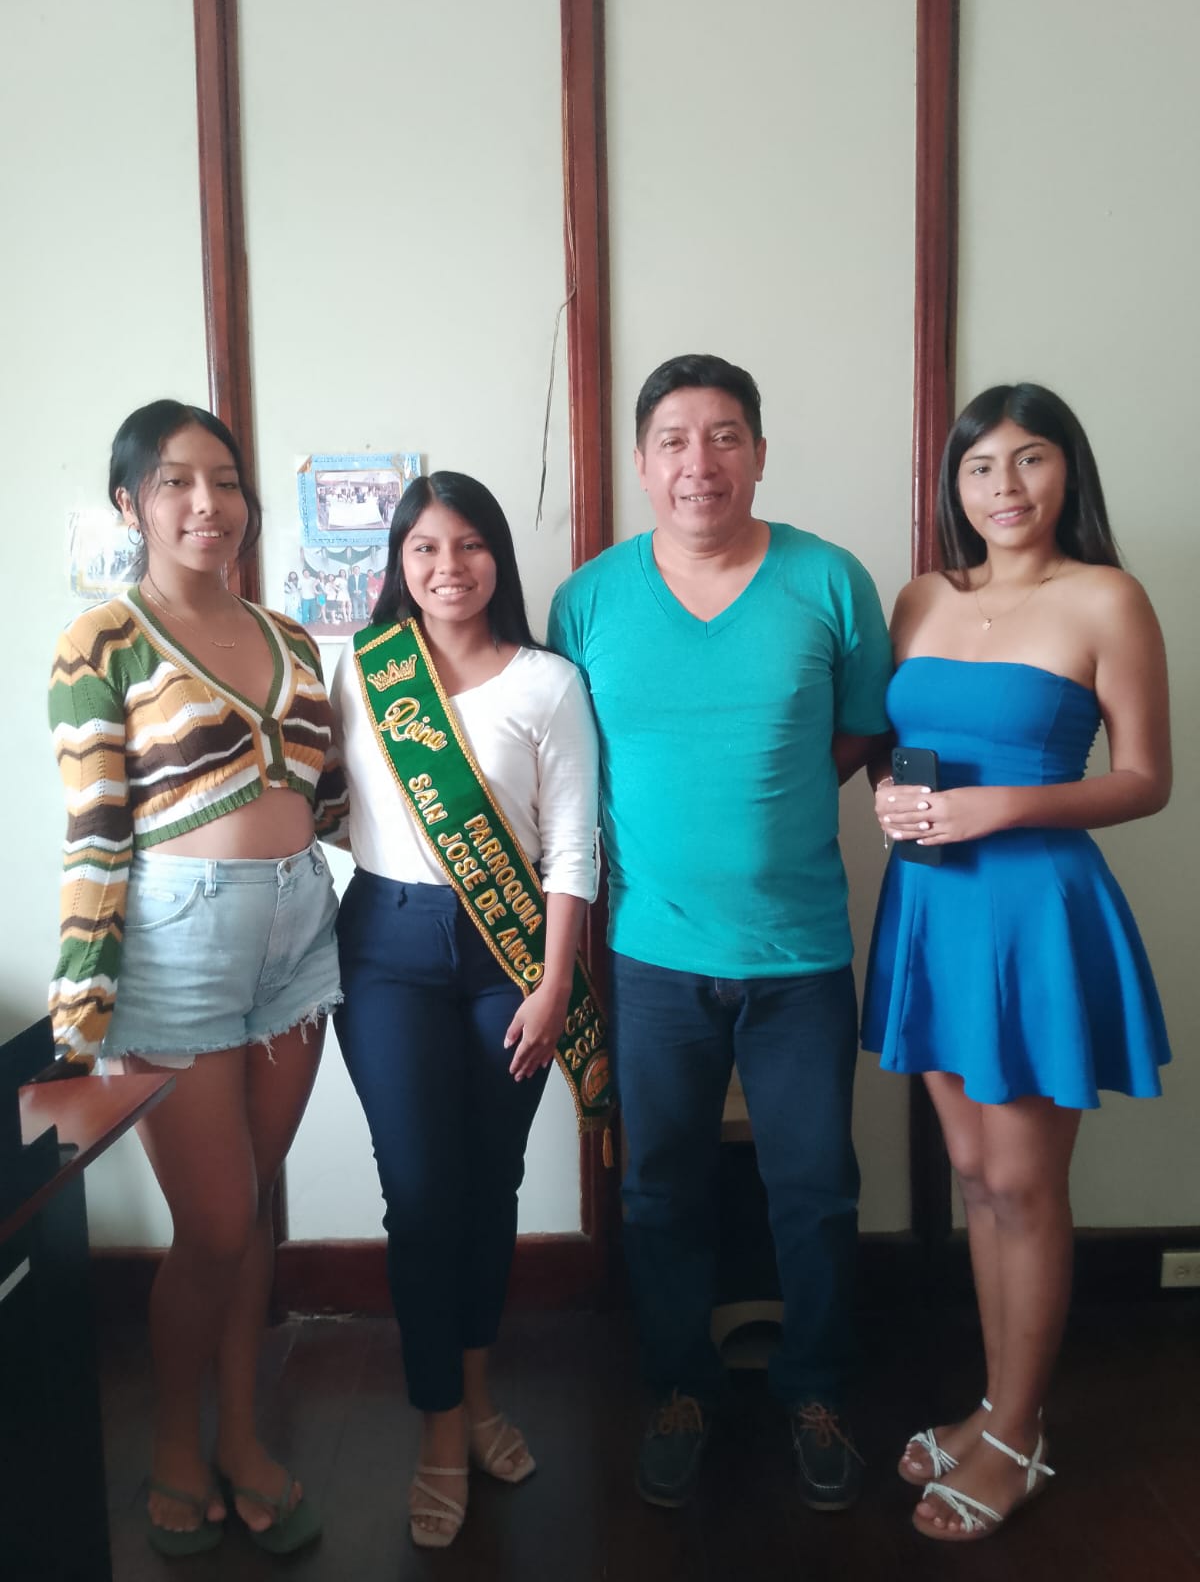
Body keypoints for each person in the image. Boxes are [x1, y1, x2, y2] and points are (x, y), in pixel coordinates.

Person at [547, 354, 892, 1511]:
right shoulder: (587, 601)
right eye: (676, 440)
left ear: (759, 451)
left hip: (800, 954)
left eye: (726, 435)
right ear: (642, 463)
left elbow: (859, 734)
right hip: (651, 957)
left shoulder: (830, 581)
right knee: (659, 1189)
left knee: (817, 1186)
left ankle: (816, 1386)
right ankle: (680, 1387)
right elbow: (568, 768)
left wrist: (766, 810)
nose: (701, 462)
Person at [862, 382, 1171, 1542]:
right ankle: (999, 1410)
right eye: (981, 464)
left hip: (1037, 907)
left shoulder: (1107, 596)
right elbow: (896, 746)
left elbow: (1146, 778)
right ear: (955, 483)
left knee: (1028, 1184)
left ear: (1067, 470)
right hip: (932, 904)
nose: (1006, 486)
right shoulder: (922, 596)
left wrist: (1004, 806)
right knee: (975, 1173)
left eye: (1031, 458)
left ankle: (1018, 1437)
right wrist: (889, 795)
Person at [48, 400, 349, 1557]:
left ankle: (242, 1434)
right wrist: (82, 998)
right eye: (175, 481)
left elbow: (330, 800)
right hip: (176, 947)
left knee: (250, 1202)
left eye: (223, 480)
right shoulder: (101, 643)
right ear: (131, 502)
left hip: (299, 929)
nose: (205, 503)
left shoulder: (291, 638)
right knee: (214, 1221)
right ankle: (177, 1439)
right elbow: (95, 831)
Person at [330, 471, 601, 1548]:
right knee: (420, 1193)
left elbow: (572, 844)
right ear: (399, 564)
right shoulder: (364, 670)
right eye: (426, 548)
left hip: (510, 956)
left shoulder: (549, 682)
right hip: (385, 947)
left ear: (499, 557)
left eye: (471, 544)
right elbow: (318, 799)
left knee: (492, 1184)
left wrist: (554, 981)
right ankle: (440, 1424)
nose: (450, 567)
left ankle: (480, 1398)